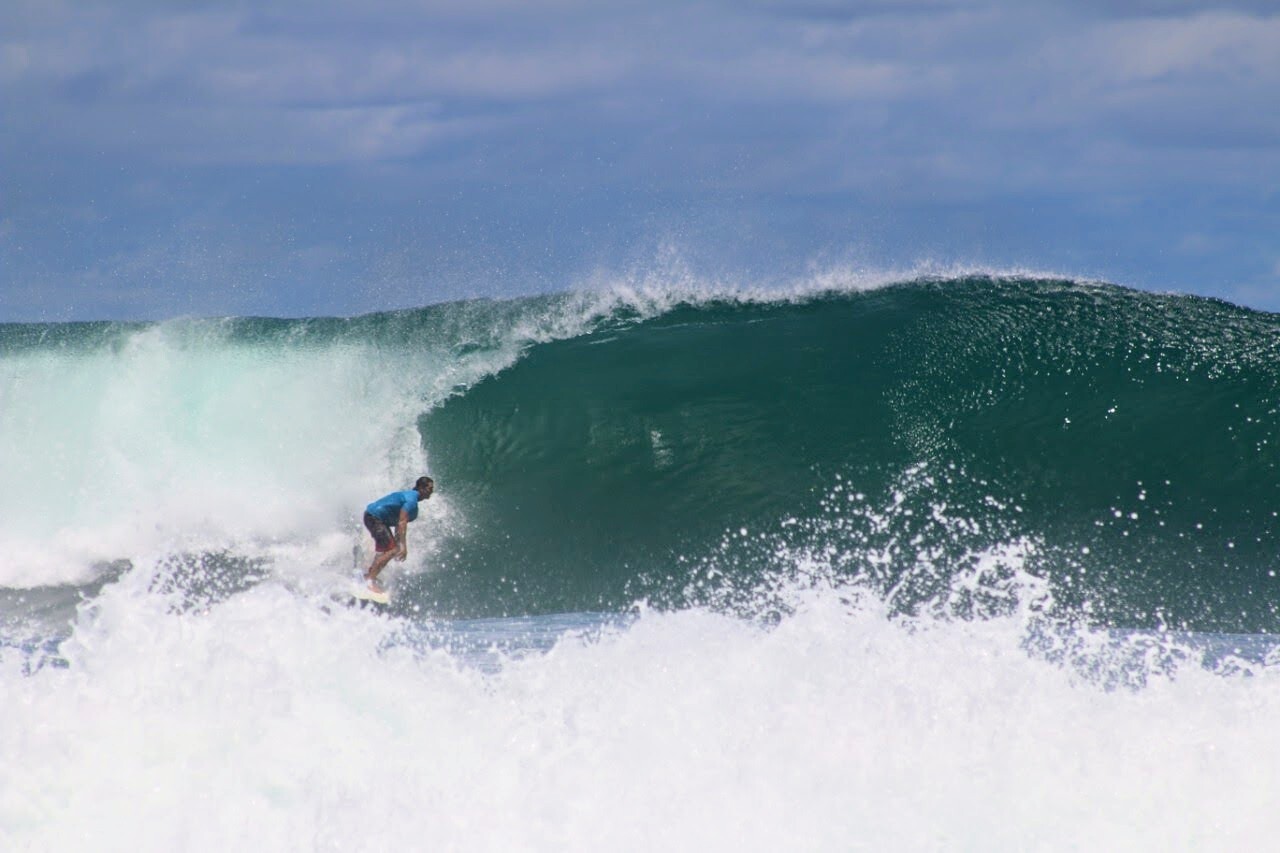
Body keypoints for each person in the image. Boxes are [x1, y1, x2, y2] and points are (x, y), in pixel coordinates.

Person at [362, 475, 434, 593]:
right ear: (421, 488)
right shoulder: (412, 500)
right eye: (429, 488)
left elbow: (397, 524)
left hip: (373, 517)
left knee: (389, 549)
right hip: (375, 518)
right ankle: (369, 580)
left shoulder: (410, 497)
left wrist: (398, 543)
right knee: (392, 550)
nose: (432, 491)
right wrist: (403, 547)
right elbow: (402, 522)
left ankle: (370, 574)